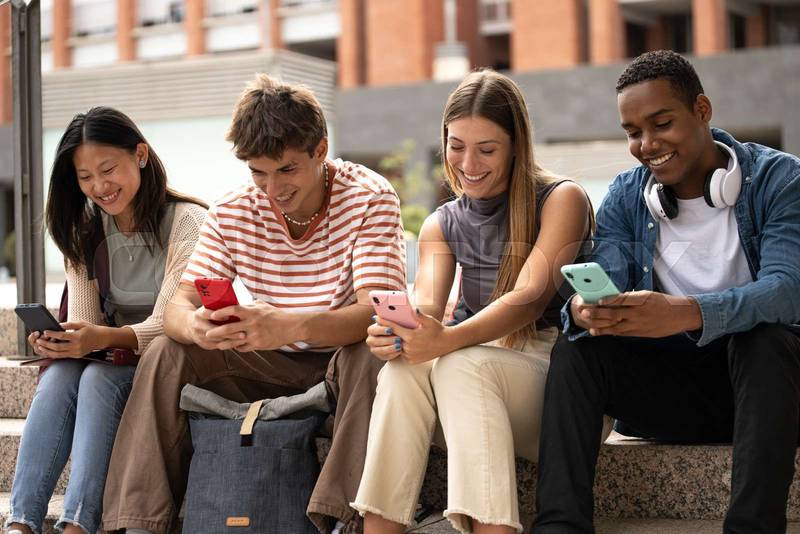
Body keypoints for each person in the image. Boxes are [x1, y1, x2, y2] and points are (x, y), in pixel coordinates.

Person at [101, 74, 406, 534]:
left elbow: (374, 312)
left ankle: (341, 520)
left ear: (320, 151)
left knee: (372, 355)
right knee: (167, 351)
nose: (272, 189)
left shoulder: (370, 197)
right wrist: (199, 328)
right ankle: (138, 524)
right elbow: (178, 306)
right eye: (257, 172)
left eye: (286, 170)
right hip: (265, 362)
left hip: (339, 364)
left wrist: (287, 326)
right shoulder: (233, 210)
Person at [533, 50, 800, 534]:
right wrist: (585, 307)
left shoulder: (781, 180)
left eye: (661, 124)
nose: (646, 144)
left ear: (702, 110)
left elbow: (786, 291)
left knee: (764, 340)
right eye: (633, 132)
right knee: (577, 352)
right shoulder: (627, 194)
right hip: (675, 397)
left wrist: (686, 313)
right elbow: (603, 273)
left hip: (767, 395)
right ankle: (559, 528)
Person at [351, 69, 604, 534]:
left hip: (559, 386)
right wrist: (399, 333)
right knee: (403, 370)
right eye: (456, 145)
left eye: (487, 149)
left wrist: (446, 340)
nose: (468, 163)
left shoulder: (560, 199)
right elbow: (426, 304)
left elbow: (528, 299)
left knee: (459, 364)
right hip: (470, 383)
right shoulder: (440, 224)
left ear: (515, 146)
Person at [5, 107, 207, 534]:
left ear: (141, 155)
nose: (99, 186)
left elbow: (171, 324)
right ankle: (21, 522)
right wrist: (67, 340)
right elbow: (83, 319)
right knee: (62, 375)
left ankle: (79, 524)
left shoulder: (188, 222)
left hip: (172, 360)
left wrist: (99, 338)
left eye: (108, 169)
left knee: (97, 379)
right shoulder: (84, 227)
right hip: (113, 358)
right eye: (84, 177)